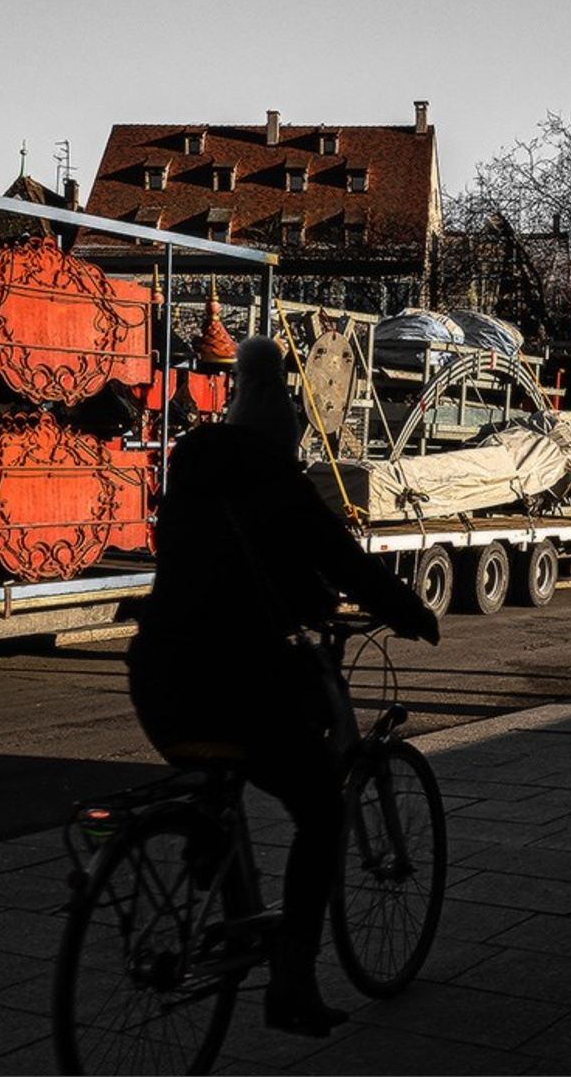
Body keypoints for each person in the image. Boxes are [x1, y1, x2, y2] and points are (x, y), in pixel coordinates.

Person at [127, 334, 440, 1037]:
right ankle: (291, 981)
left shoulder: (190, 468)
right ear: (286, 434)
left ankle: (213, 876)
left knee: (221, 779)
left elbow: (214, 562)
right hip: (231, 683)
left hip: (157, 679)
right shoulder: (283, 486)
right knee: (321, 810)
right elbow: (348, 566)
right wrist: (412, 614)